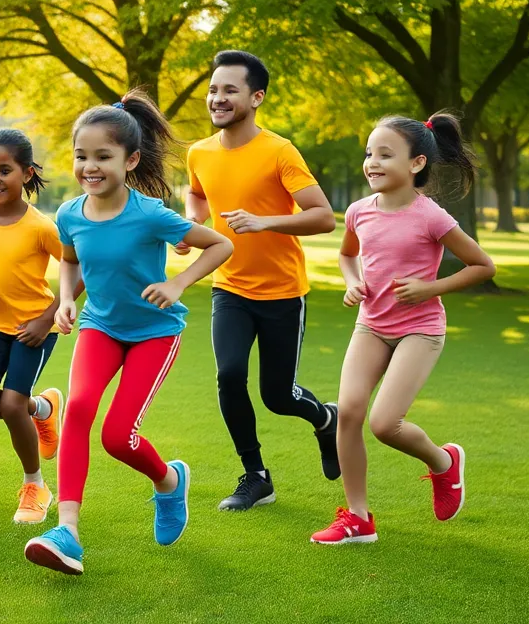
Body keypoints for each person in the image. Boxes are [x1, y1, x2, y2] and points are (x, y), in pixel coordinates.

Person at [25, 91, 234, 576]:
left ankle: (167, 482)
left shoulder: (150, 214)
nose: (90, 167)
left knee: (118, 437)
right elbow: (72, 261)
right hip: (100, 325)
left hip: (154, 333)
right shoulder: (71, 213)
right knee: (76, 409)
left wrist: (177, 282)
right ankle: (68, 531)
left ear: (131, 159)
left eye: (103, 157)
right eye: (81, 156)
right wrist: (69, 298)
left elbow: (219, 243)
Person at [311, 113, 494, 544]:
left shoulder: (431, 216)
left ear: (416, 164)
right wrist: (353, 281)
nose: (372, 162)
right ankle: (358, 518)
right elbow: (347, 255)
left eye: (385, 154)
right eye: (369, 153)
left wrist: (430, 288)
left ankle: (444, 463)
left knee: (384, 423)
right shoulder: (358, 211)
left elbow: (483, 266)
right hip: (371, 324)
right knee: (349, 413)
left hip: (420, 329)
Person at [181, 50, 341, 512]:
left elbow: (323, 217)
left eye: (230, 89)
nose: (218, 97)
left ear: (257, 97)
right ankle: (256, 476)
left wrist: (264, 222)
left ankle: (325, 418)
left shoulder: (279, 150)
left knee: (277, 395)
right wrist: (194, 228)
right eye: (214, 89)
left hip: (282, 293)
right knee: (229, 375)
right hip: (229, 287)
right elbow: (196, 195)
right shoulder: (199, 152)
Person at [0, 128, 66, 524]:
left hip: (33, 328)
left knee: (9, 404)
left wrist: (47, 318)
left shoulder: (41, 227)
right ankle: (43, 408)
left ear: (26, 172)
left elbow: (79, 270)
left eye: (5, 170)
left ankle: (36, 485)